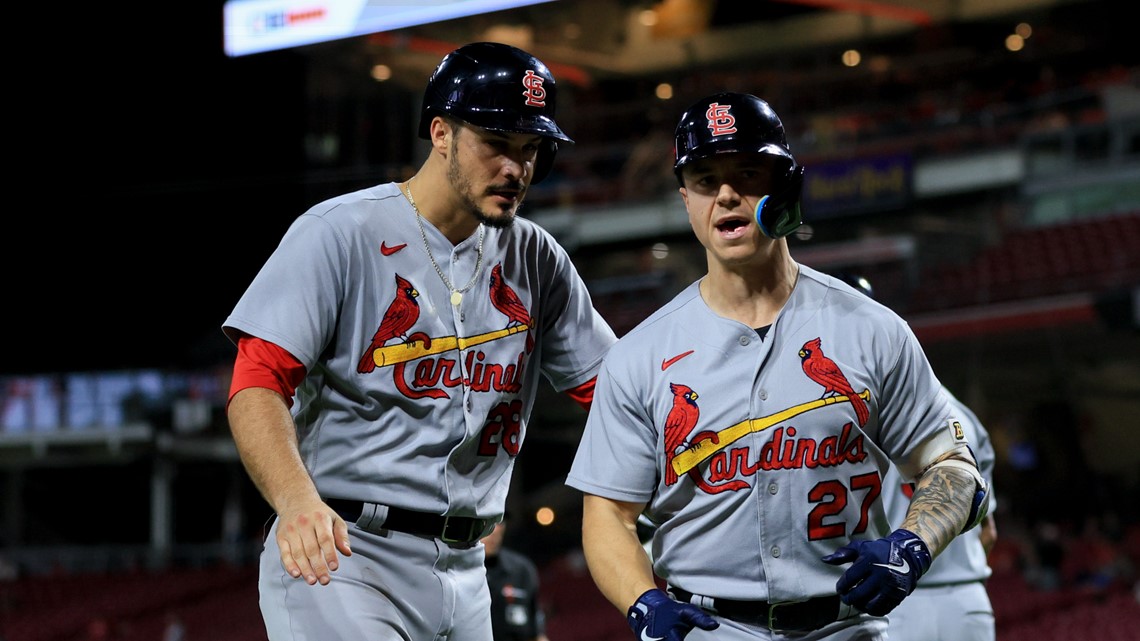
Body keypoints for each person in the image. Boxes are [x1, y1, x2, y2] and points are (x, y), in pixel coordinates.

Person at [222, 41, 617, 641]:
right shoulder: (339, 232)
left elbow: (618, 395)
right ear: (440, 132)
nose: (516, 168)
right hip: (346, 554)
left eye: (530, 149)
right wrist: (295, 499)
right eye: (498, 144)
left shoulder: (536, 258)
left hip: (467, 568)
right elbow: (256, 383)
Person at [564, 91, 990, 640]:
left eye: (746, 172)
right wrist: (642, 602)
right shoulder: (640, 356)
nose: (725, 194)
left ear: (786, 185)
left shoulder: (871, 329)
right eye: (704, 179)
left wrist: (911, 545)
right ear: (686, 200)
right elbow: (608, 516)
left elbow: (953, 466)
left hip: (846, 626)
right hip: (710, 627)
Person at [838, 274, 998, 641]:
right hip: (967, 601)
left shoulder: (835, 413)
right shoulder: (960, 415)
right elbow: (987, 531)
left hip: (893, 598)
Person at [482, 515, 551, 641]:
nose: (494, 530)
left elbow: (535, 634)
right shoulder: (452, 569)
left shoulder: (521, 570)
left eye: (499, 521)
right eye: (486, 521)